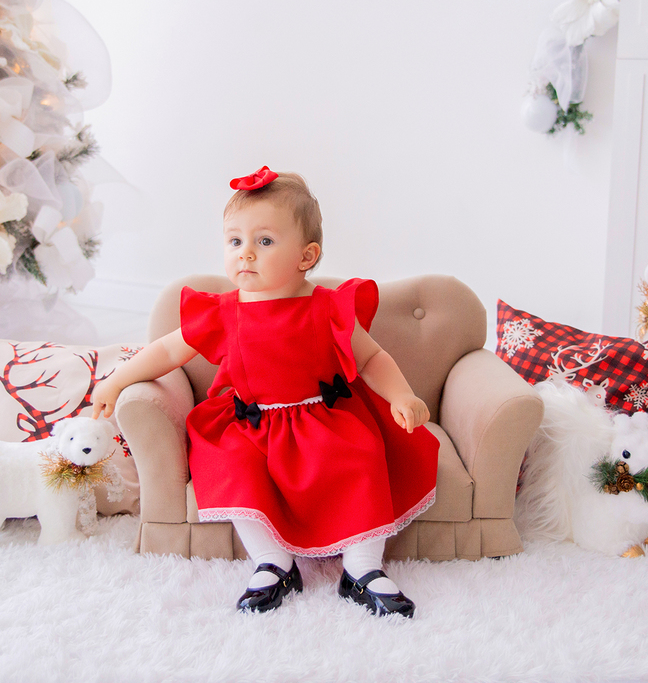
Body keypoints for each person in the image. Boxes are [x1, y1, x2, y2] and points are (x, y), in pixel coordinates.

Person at [91, 166, 439, 617]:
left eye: (265, 242)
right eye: (235, 241)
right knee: (232, 465)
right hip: (251, 424)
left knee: (361, 456)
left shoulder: (327, 307)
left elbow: (371, 359)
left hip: (322, 417)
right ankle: (274, 562)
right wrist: (117, 379)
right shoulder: (222, 312)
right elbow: (167, 350)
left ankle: (363, 567)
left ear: (306, 255)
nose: (246, 254)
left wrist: (401, 395)